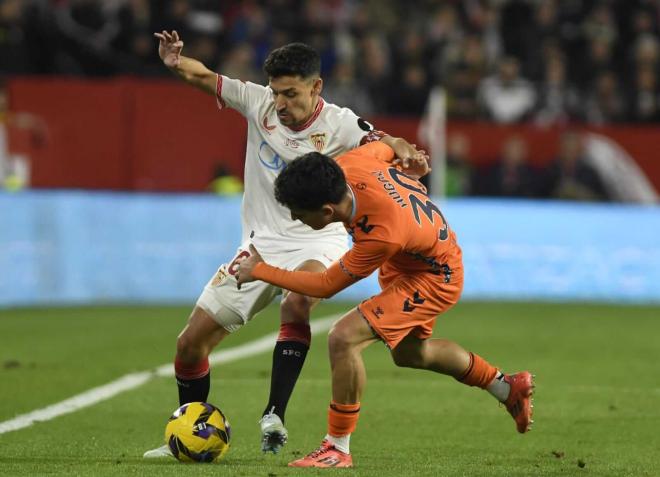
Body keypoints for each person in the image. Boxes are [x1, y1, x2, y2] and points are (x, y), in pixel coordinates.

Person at [144, 31, 424, 457]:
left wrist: (409, 152)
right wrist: (174, 61)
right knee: (189, 346)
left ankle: (274, 414)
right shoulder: (258, 104)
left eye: (291, 94)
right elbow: (205, 77)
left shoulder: (341, 124)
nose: (281, 104)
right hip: (258, 244)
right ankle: (192, 428)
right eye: (276, 93)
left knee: (296, 301)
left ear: (316, 88)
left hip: (319, 238)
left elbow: (387, 142)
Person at [236, 141, 534, 468]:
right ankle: (506, 387)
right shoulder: (352, 162)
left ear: (326, 212)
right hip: (410, 260)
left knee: (343, 337)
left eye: (299, 214)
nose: (294, 217)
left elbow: (325, 285)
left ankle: (337, 447)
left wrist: (260, 270)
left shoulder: (382, 233)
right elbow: (383, 146)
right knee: (410, 353)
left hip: (435, 276)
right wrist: (407, 152)